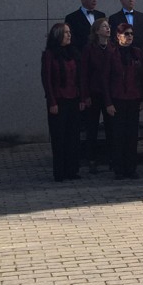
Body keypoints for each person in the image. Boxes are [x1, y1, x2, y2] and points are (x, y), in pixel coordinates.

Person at [41, 22, 87, 183]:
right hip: (58, 101)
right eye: (65, 33)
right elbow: (47, 80)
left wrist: (82, 98)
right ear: (58, 35)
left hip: (73, 98)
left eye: (69, 32)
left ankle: (72, 169)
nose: (69, 35)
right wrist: (52, 102)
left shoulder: (74, 53)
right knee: (59, 136)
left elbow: (80, 78)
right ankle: (59, 171)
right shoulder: (49, 54)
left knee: (73, 136)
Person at [105, 23, 143, 180]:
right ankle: (119, 168)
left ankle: (131, 168)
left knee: (132, 135)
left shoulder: (137, 53)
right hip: (117, 98)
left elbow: (142, 78)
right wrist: (108, 102)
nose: (129, 37)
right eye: (126, 34)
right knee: (118, 135)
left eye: (131, 34)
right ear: (118, 36)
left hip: (133, 98)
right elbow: (105, 79)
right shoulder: (111, 54)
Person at [81, 18, 114, 173]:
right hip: (94, 93)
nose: (107, 29)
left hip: (109, 94)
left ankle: (111, 157)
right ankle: (91, 158)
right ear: (96, 31)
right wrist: (85, 95)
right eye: (104, 27)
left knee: (111, 127)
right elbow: (84, 73)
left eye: (108, 27)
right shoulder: (89, 49)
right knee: (92, 128)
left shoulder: (112, 48)